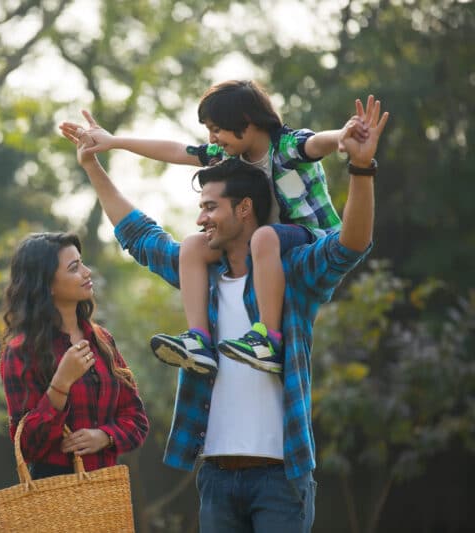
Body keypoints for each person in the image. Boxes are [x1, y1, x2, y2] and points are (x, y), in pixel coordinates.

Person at [63, 96, 388, 531]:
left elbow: (350, 244)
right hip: (214, 476)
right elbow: (140, 235)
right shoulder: (202, 278)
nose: (201, 220)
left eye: (210, 208)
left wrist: (361, 169)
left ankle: (263, 340)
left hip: (280, 476)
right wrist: (93, 166)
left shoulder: (291, 276)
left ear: (244, 209)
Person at [60, 80, 368, 378]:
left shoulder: (286, 147)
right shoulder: (229, 156)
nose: (212, 138)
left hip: (308, 238)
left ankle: (269, 338)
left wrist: (343, 135)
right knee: (194, 245)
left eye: (216, 128)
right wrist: (115, 142)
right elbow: (178, 151)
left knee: (264, 236)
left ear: (246, 122)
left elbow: (317, 143)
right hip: (262, 246)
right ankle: (199, 341)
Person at [0, 232, 149, 480]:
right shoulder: (21, 352)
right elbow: (28, 446)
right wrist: (61, 384)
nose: (87, 272)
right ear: (47, 284)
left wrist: (105, 436)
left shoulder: (102, 340)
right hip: (57, 498)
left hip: (108, 492)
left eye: (82, 263)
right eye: (74, 268)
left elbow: (137, 420)